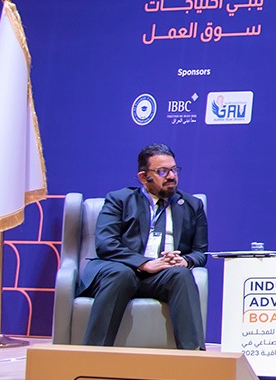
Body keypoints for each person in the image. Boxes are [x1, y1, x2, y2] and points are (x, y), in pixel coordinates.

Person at [79, 144, 208, 350]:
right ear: (143, 177)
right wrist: (144, 263)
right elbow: (106, 244)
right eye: (162, 171)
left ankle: (193, 357)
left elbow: (200, 252)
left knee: (181, 275)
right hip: (121, 269)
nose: (171, 176)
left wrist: (185, 261)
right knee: (121, 274)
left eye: (174, 170)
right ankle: (94, 356)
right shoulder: (120, 200)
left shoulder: (192, 205)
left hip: (161, 276)